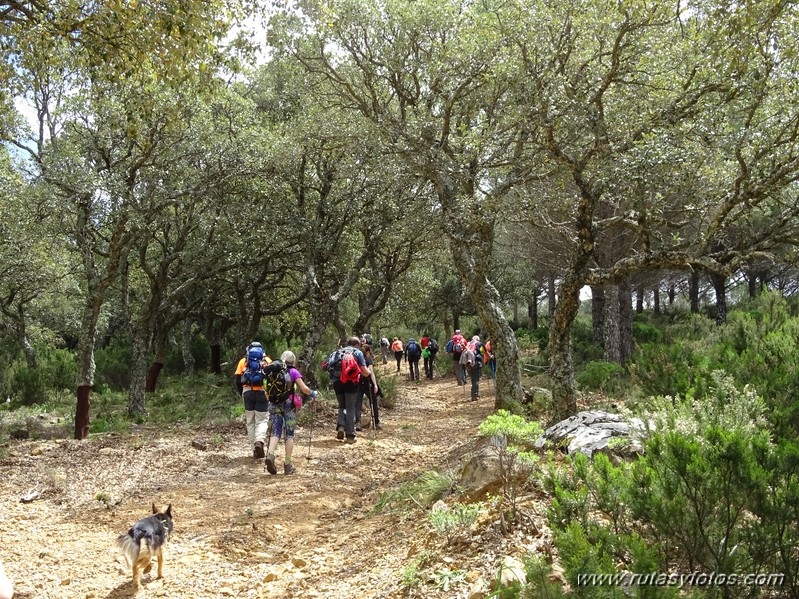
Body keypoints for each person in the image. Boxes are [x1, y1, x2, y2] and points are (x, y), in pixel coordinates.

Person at [264, 351, 318, 475]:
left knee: (275, 431)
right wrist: (313, 393)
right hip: (289, 405)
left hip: (274, 405)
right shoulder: (293, 372)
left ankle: (271, 455)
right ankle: (288, 464)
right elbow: (304, 389)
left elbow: (266, 391)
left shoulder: (272, 371)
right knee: (289, 434)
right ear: (293, 361)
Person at [328, 336, 370, 444]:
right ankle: (350, 435)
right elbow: (364, 371)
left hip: (337, 382)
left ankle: (341, 426)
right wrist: (369, 373)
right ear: (357, 345)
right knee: (350, 407)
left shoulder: (338, 352)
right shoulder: (357, 353)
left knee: (342, 405)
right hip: (351, 383)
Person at [234, 342, 272, 459]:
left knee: (250, 421)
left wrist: (243, 393)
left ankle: (254, 449)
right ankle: (259, 441)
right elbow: (272, 379)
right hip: (262, 392)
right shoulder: (267, 361)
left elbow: (237, 380)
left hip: (247, 392)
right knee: (262, 419)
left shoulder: (243, 361)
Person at [354, 344, 380, 430]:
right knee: (373, 401)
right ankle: (376, 422)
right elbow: (371, 373)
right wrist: (375, 385)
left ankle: (357, 423)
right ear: (367, 352)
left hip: (357, 383)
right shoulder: (368, 360)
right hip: (367, 383)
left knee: (357, 403)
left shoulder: (356, 360)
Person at [465, 335, 487, 401]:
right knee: (476, 380)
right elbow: (484, 352)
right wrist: (490, 357)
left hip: (467, 364)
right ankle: (474, 395)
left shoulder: (468, 344)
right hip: (476, 363)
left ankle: (474, 394)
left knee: (473, 379)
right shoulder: (479, 344)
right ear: (477, 339)